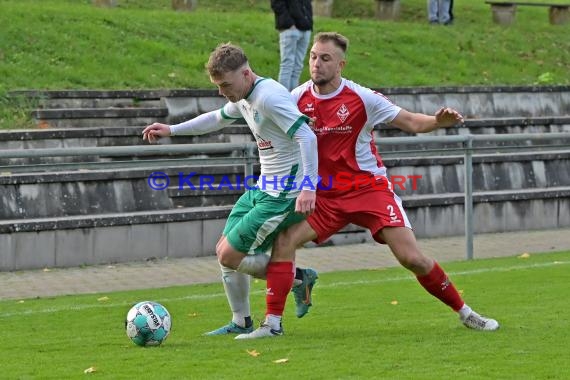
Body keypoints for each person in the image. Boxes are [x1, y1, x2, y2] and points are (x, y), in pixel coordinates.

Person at [235, 32, 499, 339]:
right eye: (313, 57)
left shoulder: (362, 98)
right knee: (284, 241)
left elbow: (411, 121)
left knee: (411, 258)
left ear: (341, 65)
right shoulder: (296, 99)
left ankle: (466, 313)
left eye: (325, 58)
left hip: (367, 189)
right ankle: (272, 325)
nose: (316, 64)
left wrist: (439, 122)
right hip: (325, 195)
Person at [142, 42, 319, 337]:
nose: (222, 92)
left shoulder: (269, 98)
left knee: (229, 255)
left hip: (283, 195)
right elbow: (215, 118)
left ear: (246, 73)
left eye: (225, 85)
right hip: (263, 189)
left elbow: (307, 137)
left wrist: (309, 188)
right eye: (218, 86)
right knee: (223, 250)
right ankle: (241, 320)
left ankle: (298, 278)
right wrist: (171, 130)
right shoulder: (245, 95)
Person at [271, 0, 313, 91]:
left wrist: (308, 22)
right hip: (290, 28)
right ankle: (283, 99)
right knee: (287, 65)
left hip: (305, 27)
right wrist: (288, 23)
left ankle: (294, 98)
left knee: (298, 66)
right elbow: (276, 4)